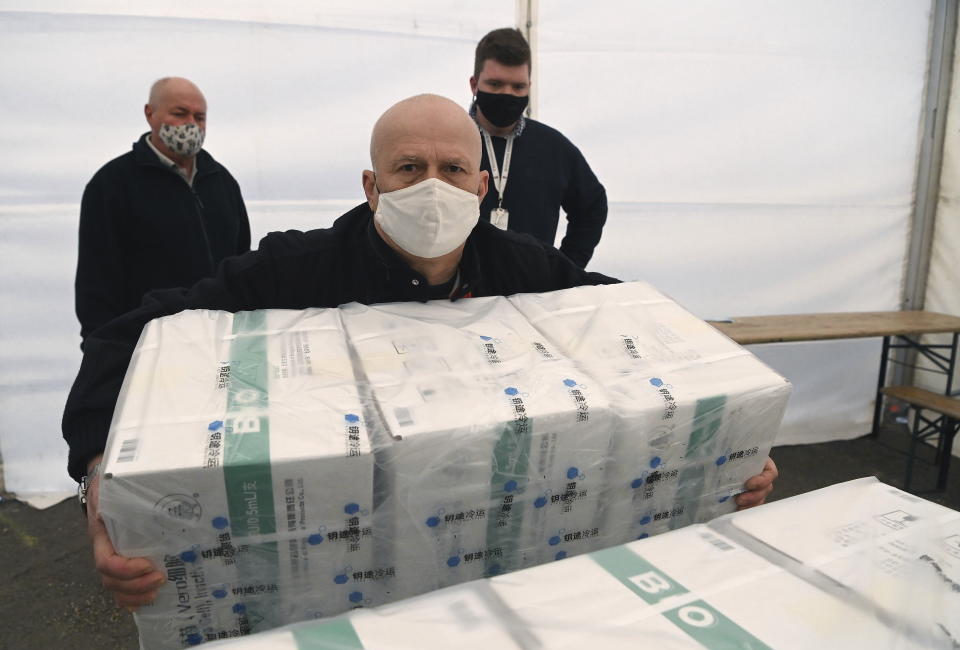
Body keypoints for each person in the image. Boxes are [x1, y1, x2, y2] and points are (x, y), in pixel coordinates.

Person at [63, 94, 778, 612]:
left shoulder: (522, 268)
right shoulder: (295, 270)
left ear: (482, 185)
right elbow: (132, 331)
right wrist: (102, 486)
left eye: (453, 168)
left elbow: (642, 329)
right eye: (408, 169)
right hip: (334, 578)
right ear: (372, 188)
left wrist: (729, 446)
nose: (433, 186)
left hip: (502, 567)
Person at [74, 76, 251, 343]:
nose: (191, 124)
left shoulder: (222, 182)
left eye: (199, 117)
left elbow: (240, 262)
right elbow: (96, 282)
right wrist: (104, 351)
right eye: (180, 114)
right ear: (150, 114)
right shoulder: (112, 185)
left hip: (217, 340)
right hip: (147, 344)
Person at [470, 28, 607, 269]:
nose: (507, 94)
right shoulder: (446, 144)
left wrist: (566, 267)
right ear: (474, 84)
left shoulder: (553, 147)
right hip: (456, 295)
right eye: (495, 84)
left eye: (518, 87)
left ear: (529, 87)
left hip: (532, 294)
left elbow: (592, 205)